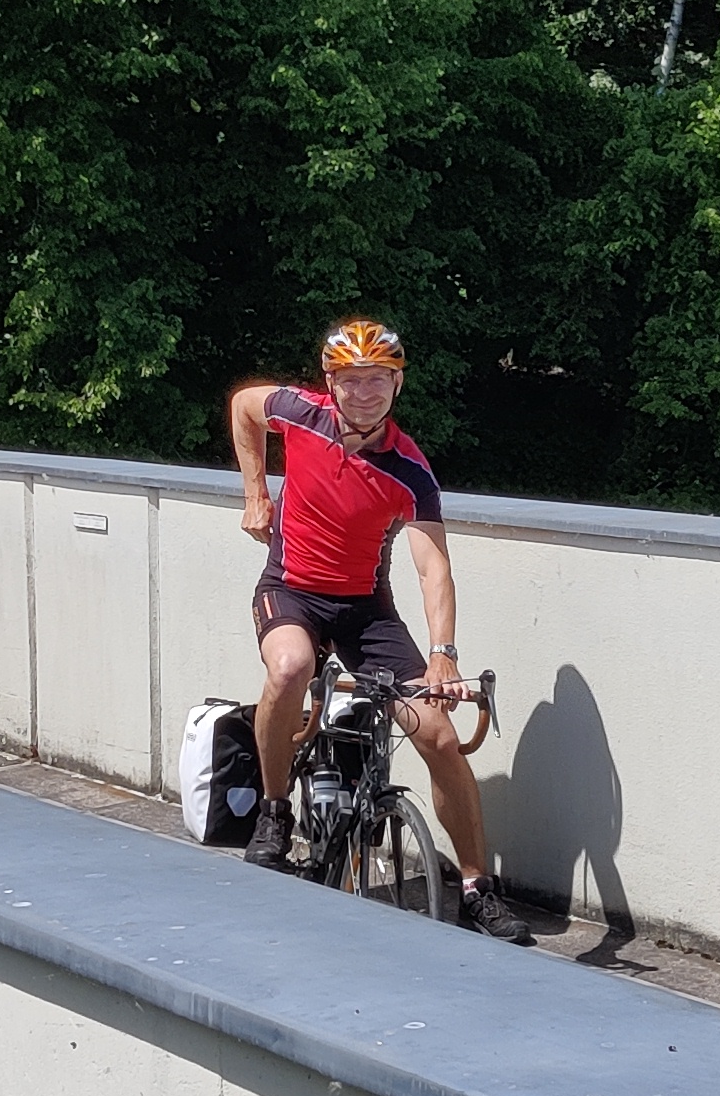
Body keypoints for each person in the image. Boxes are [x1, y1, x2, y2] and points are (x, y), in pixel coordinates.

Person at [228, 319, 534, 945]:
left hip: (366, 609)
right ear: (330, 382)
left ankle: (477, 887)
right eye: (351, 380)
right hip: (290, 587)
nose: (364, 393)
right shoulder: (300, 413)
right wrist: (255, 492)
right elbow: (243, 406)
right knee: (289, 667)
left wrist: (443, 655)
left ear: (397, 384)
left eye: (378, 380)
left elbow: (432, 566)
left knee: (439, 735)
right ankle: (275, 810)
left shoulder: (409, 469)